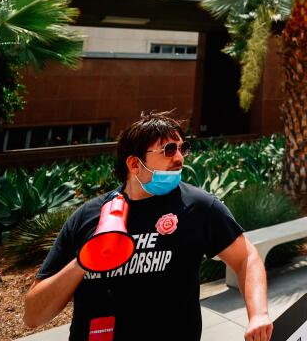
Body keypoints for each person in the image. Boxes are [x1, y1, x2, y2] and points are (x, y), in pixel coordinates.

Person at [23, 112, 273, 340]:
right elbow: (33, 316)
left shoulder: (199, 207)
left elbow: (246, 258)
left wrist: (259, 314)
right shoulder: (87, 217)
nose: (179, 158)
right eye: (168, 150)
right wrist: (82, 262)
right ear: (134, 165)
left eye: (182, 148)